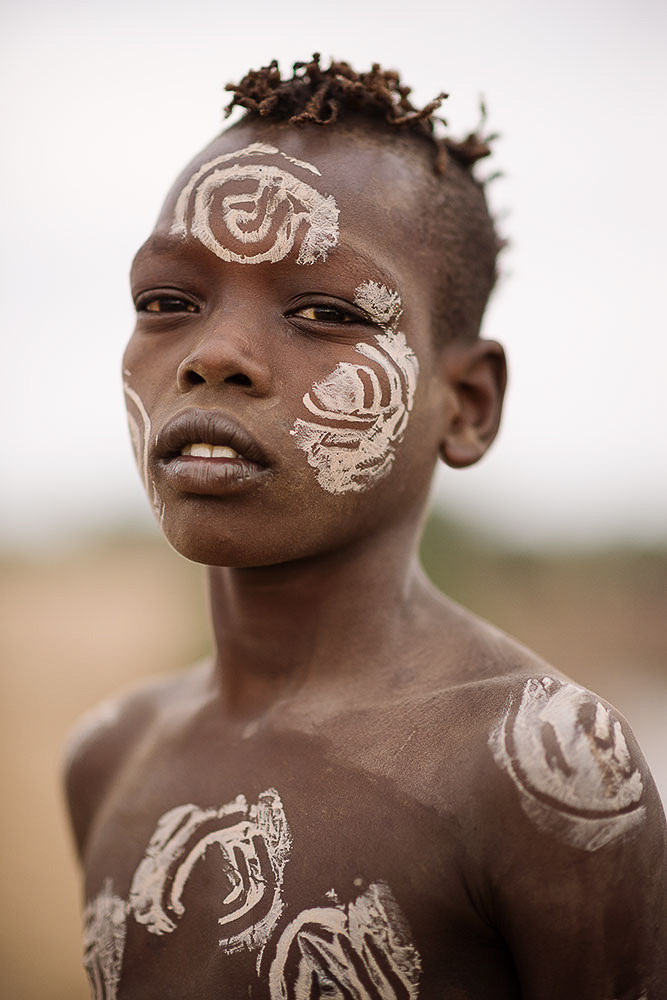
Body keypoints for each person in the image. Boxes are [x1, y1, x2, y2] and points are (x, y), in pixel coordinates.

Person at [63, 55, 666, 999]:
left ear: (463, 403)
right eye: (167, 303)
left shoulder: (534, 769)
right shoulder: (108, 755)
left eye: (324, 312)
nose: (213, 355)